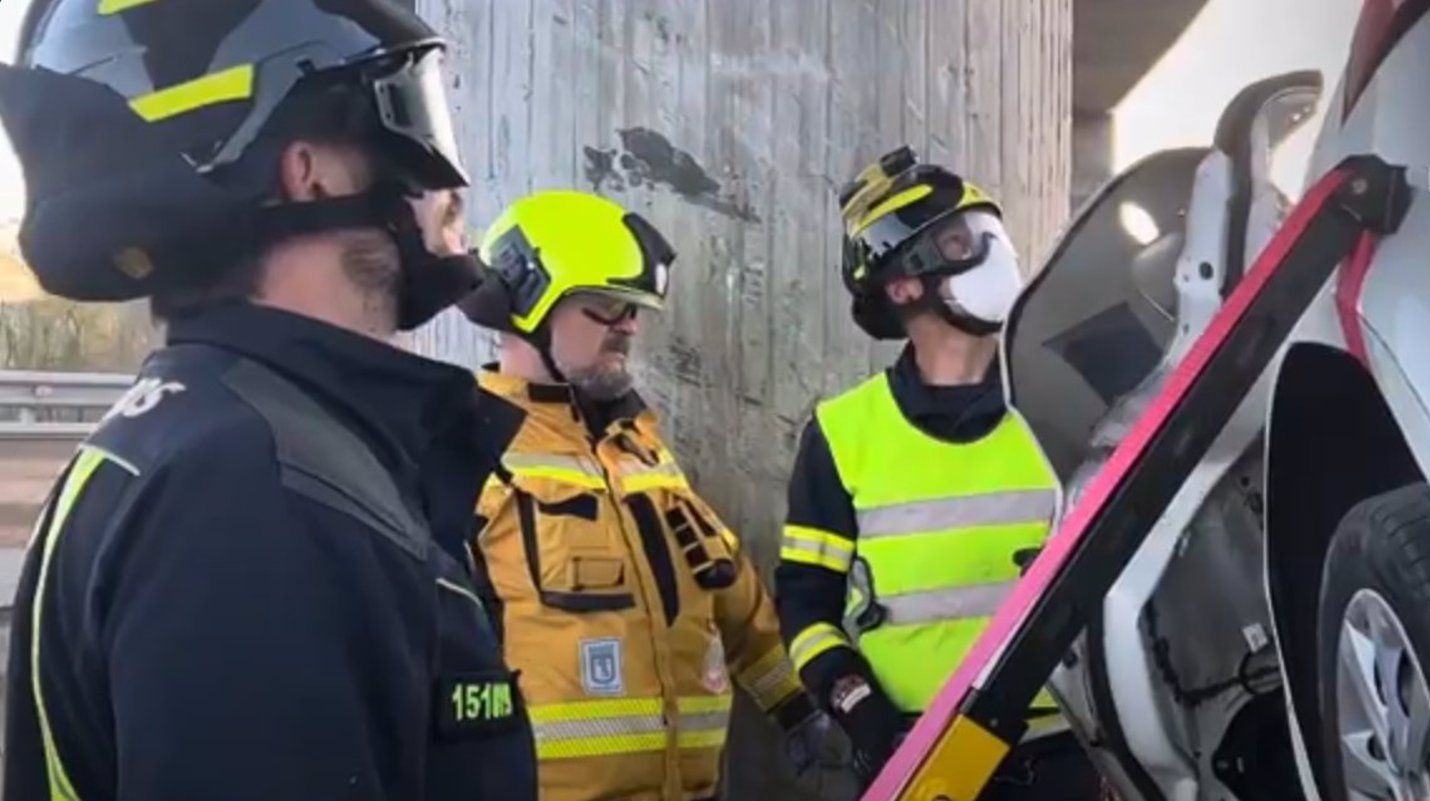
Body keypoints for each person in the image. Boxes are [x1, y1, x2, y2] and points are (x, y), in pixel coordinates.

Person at [0, 2, 535, 799]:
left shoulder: (220, 436)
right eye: (409, 118)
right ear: (306, 168)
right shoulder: (252, 490)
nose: (444, 187)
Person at [455, 190, 831, 801]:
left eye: (634, 309)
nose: (630, 325)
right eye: (607, 305)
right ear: (529, 302)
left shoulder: (642, 454)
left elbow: (729, 591)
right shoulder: (463, 455)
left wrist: (793, 700)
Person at [774, 146, 1103, 799]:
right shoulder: (842, 433)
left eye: (994, 235)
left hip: (1068, 759)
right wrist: (861, 710)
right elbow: (805, 605)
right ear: (903, 283)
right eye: (963, 240)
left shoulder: (1071, 402)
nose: (997, 255)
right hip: (919, 762)